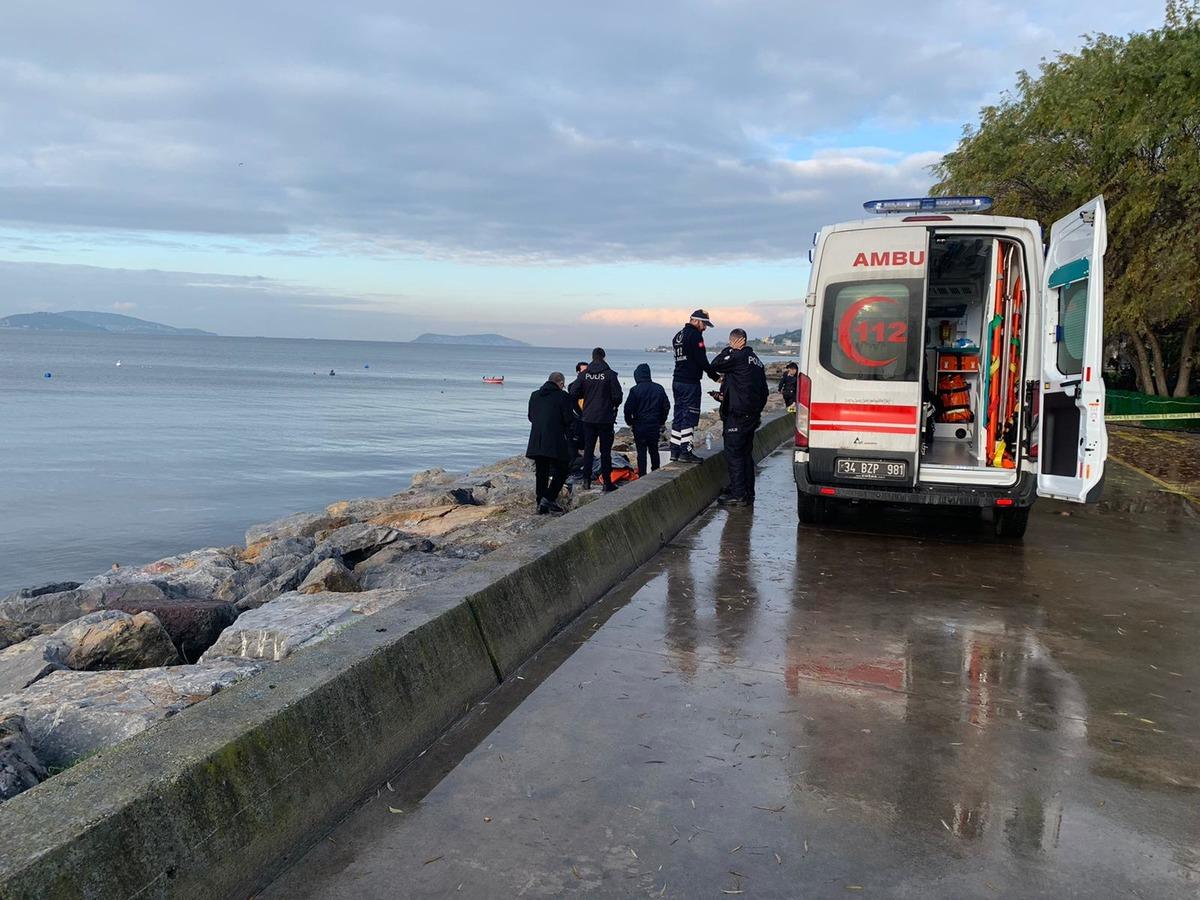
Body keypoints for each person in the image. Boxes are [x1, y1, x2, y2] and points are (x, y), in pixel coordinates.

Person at [712, 328, 769, 506]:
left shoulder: (738, 357)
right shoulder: (757, 362)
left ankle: (738, 495)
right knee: (745, 454)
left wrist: (729, 350)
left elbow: (715, 364)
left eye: (731, 343)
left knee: (734, 453)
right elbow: (764, 391)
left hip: (737, 415)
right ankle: (747, 491)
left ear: (735, 341)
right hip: (751, 415)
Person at [569, 347, 623, 492]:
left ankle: (586, 481)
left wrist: (584, 401)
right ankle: (607, 482)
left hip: (588, 418)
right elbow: (618, 396)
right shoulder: (610, 374)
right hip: (605, 418)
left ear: (592, 358)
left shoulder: (584, 375)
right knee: (605, 452)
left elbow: (573, 392)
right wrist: (611, 404)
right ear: (604, 358)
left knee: (588, 450)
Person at [670, 309, 719, 463]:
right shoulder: (695, 335)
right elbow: (701, 359)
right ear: (696, 320)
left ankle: (675, 450)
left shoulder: (678, 336)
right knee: (689, 416)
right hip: (690, 382)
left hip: (677, 380)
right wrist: (715, 376)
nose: (705, 328)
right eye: (704, 324)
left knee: (678, 415)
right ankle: (686, 451)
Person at [526, 372, 575, 514]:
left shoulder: (534, 395)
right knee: (563, 468)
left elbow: (531, 417)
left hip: (537, 439)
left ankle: (540, 503)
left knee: (541, 472)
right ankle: (548, 498)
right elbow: (568, 419)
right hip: (555, 440)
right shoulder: (562, 396)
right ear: (560, 383)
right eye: (563, 384)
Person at [623, 363, 671, 477]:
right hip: (654, 425)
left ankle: (642, 475)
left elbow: (627, 409)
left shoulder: (635, 390)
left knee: (641, 453)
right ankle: (655, 473)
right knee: (654, 450)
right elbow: (666, 406)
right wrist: (662, 420)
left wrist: (630, 422)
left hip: (639, 425)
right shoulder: (659, 388)